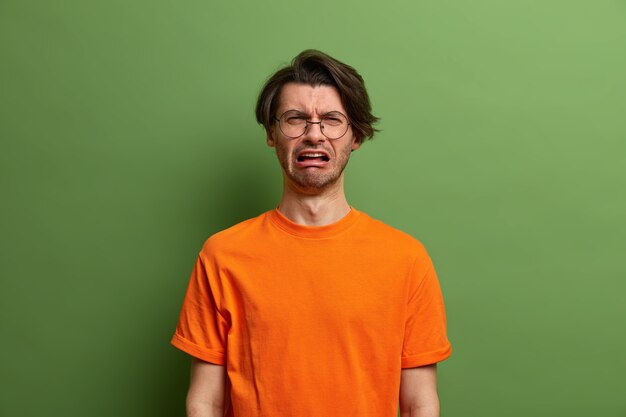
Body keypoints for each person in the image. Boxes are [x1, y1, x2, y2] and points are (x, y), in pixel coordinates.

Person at [171, 49, 452, 417]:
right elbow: (205, 401)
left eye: (332, 120)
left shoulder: (406, 259)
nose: (314, 134)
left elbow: (420, 403)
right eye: (295, 119)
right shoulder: (222, 255)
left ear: (356, 136)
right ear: (272, 134)